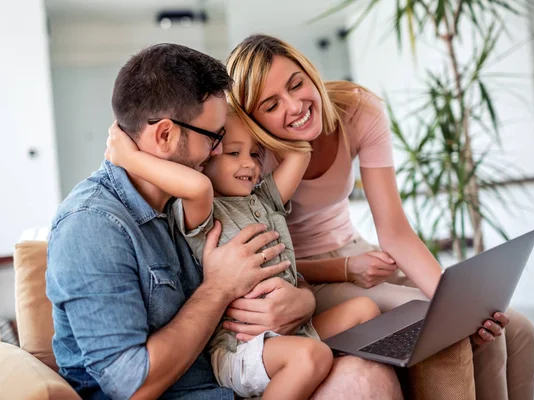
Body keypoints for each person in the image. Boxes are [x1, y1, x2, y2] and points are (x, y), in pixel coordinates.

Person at [46, 43, 401, 400]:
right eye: (215, 138)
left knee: (369, 374)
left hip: (242, 376)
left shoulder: (198, 203)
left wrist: (301, 302)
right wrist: (219, 288)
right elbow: (132, 386)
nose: (219, 152)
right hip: (206, 385)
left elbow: (272, 272)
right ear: (166, 135)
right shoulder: (93, 226)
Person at [225, 34, 534, 400]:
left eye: (297, 84)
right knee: (439, 324)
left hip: (358, 251)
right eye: (271, 104)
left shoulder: (357, 111)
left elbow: (394, 229)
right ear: (253, 118)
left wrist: (453, 301)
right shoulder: (249, 154)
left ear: (310, 73)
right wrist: (345, 268)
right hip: (305, 276)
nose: (295, 105)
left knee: (515, 330)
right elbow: (266, 263)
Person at [105, 107, 383, 400]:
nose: (249, 164)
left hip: (292, 330)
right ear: (207, 157)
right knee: (310, 356)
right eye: (234, 153)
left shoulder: (264, 200)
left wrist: (258, 122)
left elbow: (300, 152)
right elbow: (198, 186)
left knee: (365, 310)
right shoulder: (202, 210)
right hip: (240, 347)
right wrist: (130, 158)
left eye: (255, 154)